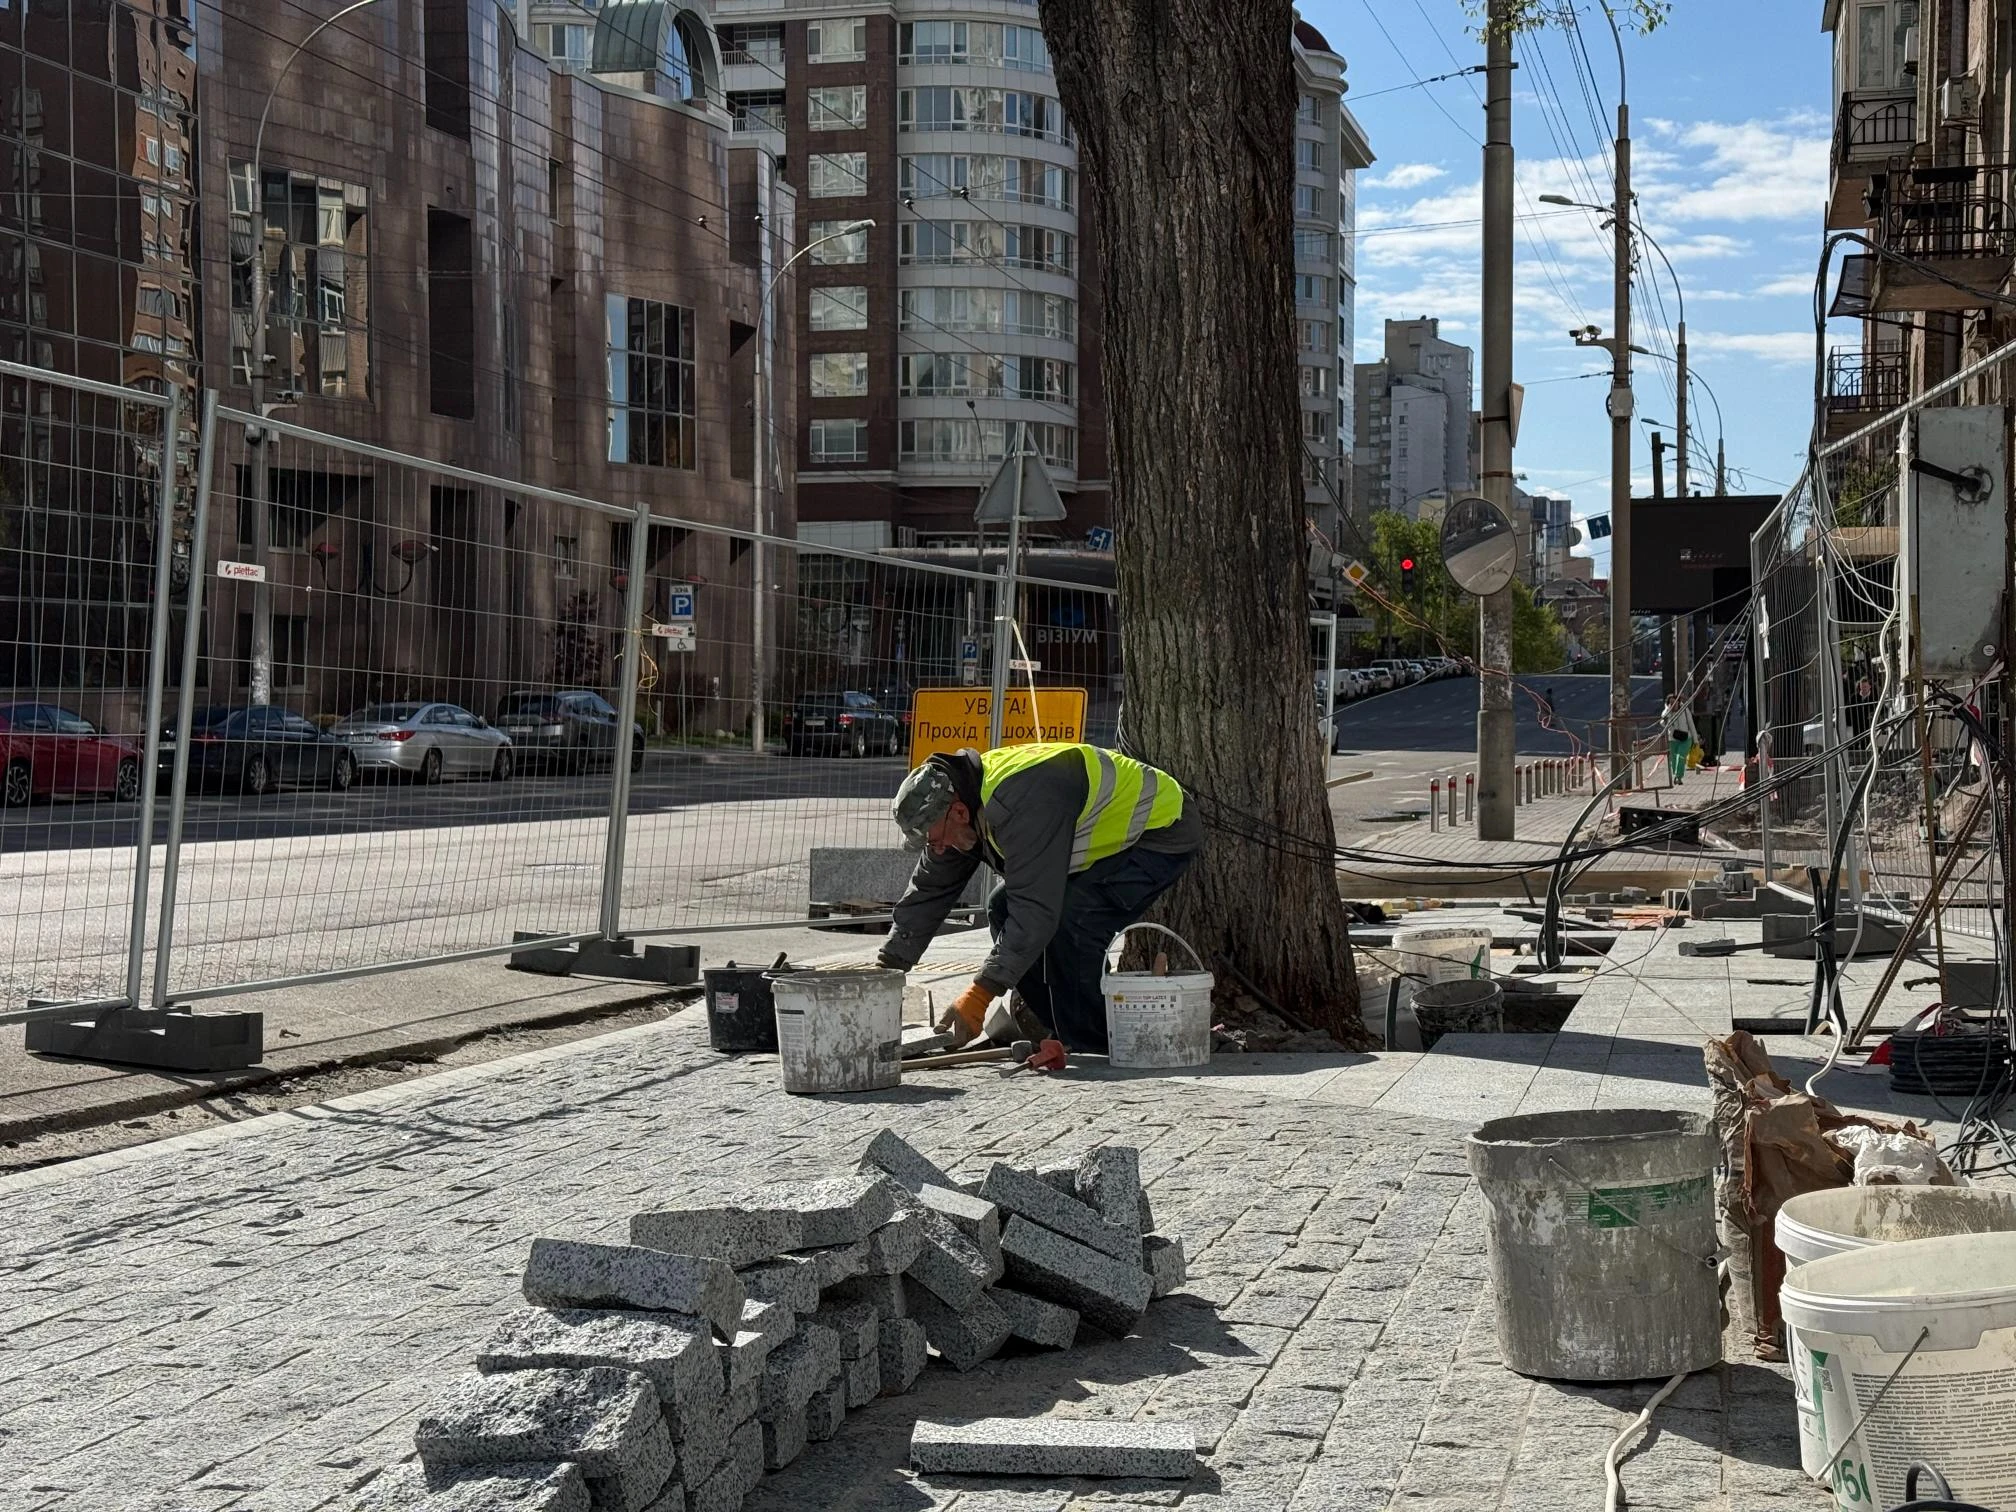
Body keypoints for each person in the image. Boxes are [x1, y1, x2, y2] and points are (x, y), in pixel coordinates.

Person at [876, 742, 1204, 1054]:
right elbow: (928, 891)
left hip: (1159, 830)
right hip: (1102, 841)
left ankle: (1096, 1043)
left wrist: (980, 993)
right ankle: (1059, 1030)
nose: (937, 850)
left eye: (933, 840)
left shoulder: (1018, 803)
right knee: (1001, 908)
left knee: (1074, 921)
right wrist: (885, 972)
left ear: (959, 812)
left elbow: (1035, 912)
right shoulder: (957, 809)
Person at [1660, 692, 1699, 787]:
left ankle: (1678, 776)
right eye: (1671, 702)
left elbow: (1691, 724)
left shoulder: (1684, 710)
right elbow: (1662, 722)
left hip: (1686, 738)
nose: (1673, 704)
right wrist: (1668, 710)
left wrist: (1695, 740)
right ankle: (1676, 775)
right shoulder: (1667, 712)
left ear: (1678, 702)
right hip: (1672, 739)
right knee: (1673, 760)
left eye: (1675, 702)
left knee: (1681, 757)